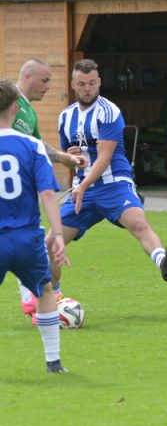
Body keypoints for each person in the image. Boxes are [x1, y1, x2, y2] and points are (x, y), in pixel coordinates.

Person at [44, 58, 167, 291]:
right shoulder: (65, 117)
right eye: (82, 84)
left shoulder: (109, 112)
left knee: (138, 224)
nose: (87, 88)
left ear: (99, 82)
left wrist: (83, 185)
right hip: (83, 190)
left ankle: (163, 261)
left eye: (92, 83)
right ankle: (56, 298)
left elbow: (104, 158)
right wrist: (70, 155)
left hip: (113, 184)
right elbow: (70, 157)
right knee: (50, 243)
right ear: (73, 84)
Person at [0, 79, 70, 372]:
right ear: (16, 108)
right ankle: (53, 361)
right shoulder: (31, 145)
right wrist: (57, 233)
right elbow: (46, 193)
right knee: (44, 291)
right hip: (28, 237)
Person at [13, 59, 87, 317]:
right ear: (26, 76)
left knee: (28, 241)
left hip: (17, 194)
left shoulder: (28, 112)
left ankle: (37, 299)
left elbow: (37, 146)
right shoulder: (9, 104)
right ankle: (41, 299)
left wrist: (65, 158)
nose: (48, 87)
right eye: (44, 81)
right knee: (27, 241)